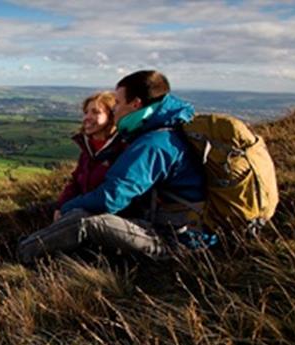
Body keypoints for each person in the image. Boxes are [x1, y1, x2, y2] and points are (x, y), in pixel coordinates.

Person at [19, 70, 213, 263]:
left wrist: (67, 207)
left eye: (118, 103)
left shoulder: (154, 143)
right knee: (82, 214)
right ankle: (33, 245)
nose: (115, 110)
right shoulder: (160, 133)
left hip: (174, 239)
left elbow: (111, 198)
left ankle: (20, 254)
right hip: (164, 225)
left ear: (136, 104)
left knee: (86, 222)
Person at [54, 91, 126, 222]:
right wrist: (60, 207)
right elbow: (75, 182)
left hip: (107, 217)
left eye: (95, 112)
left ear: (112, 116)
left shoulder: (123, 149)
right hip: (80, 207)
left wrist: (67, 209)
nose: (87, 117)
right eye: (86, 112)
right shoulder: (88, 148)